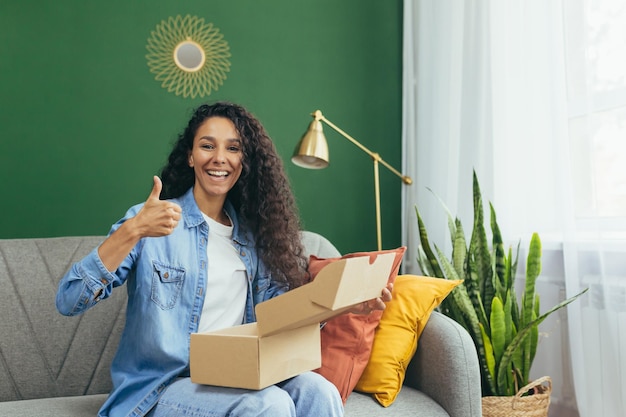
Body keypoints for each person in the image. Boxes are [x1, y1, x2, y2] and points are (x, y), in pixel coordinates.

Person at [56, 101, 391, 417]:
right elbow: (69, 299)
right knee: (268, 405)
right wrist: (133, 230)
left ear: (244, 161)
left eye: (233, 148)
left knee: (320, 392)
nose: (220, 158)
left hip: (239, 375)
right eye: (207, 146)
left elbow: (280, 319)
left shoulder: (254, 238)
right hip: (164, 388)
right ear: (190, 156)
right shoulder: (150, 221)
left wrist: (343, 305)